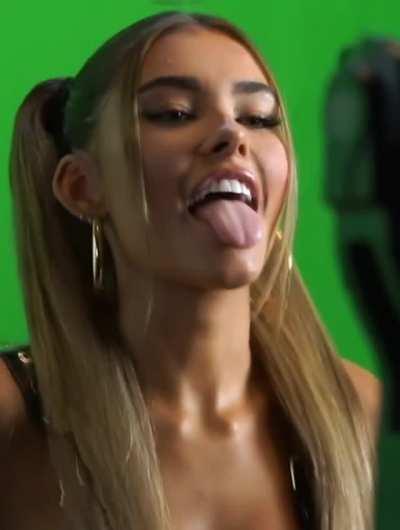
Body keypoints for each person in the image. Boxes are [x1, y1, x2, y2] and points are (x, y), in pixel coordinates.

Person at [0, 10, 383, 530]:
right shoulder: (14, 417)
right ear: (82, 187)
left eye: (258, 118)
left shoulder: (362, 413)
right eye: (174, 113)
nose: (231, 134)